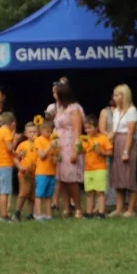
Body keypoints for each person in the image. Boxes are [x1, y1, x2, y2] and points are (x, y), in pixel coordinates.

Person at [106, 84, 137, 217]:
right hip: (116, 143)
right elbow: (113, 131)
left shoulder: (132, 111)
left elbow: (131, 133)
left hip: (127, 143)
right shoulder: (115, 111)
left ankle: (131, 210)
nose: (114, 98)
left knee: (128, 176)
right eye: (114, 95)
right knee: (118, 177)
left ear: (124, 96)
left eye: (117, 95)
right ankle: (119, 208)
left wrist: (126, 151)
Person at [53, 81, 85, 217]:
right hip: (59, 146)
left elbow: (78, 131)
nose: (54, 95)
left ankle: (77, 208)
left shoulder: (74, 109)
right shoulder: (60, 108)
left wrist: (75, 150)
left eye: (55, 93)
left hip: (69, 144)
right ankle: (66, 207)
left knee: (71, 179)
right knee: (62, 178)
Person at [82, 115, 114, 218]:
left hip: (100, 168)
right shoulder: (84, 139)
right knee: (89, 192)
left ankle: (101, 213)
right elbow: (81, 151)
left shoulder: (103, 138)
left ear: (96, 127)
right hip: (88, 169)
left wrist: (101, 152)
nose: (87, 130)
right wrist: (78, 146)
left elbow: (110, 152)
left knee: (100, 192)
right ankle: (89, 212)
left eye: (89, 127)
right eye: (86, 128)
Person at [0, 112, 17, 222]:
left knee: (3, 189)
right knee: (5, 191)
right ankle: (3, 215)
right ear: (12, 124)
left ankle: (4, 214)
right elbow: (9, 147)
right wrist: (15, 139)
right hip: (5, 164)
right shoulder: (6, 131)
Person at [33, 120, 58, 221]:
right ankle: (38, 214)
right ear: (42, 130)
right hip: (42, 172)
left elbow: (55, 159)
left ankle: (48, 215)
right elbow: (42, 155)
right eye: (47, 131)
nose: (50, 134)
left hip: (52, 172)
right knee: (39, 194)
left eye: (51, 131)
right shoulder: (39, 140)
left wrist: (56, 156)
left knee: (48, 195)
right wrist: (50, 146)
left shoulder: (52, 141)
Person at [14, 123, 38, 221]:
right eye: (30, 132)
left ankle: (30, 214)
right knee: (24, 192)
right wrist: (19, 166)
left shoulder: (39, 143)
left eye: (35, 131)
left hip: (36, 173)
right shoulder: (22, 145)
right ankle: (17, 212)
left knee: (32, 194)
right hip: (24, 173)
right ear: (25, 133)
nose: (33, 134)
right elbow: (15, 158)